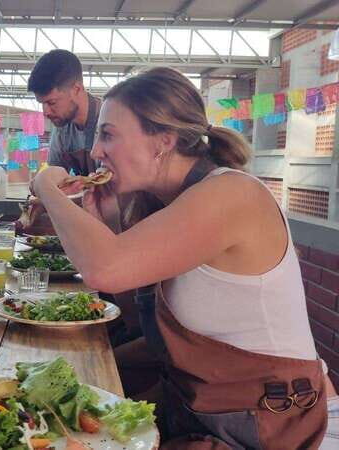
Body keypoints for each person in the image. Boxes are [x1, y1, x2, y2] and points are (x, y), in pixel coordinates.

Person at [31, 67, 336, 448]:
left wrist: (47, 186)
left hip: (277, 424)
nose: (95, 152)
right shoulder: (163, 203)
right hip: (208, 410)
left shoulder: (233, 194)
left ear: (163, 140)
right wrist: (106, 225)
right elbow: (143, 317)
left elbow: (104, 270)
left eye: (107, 135)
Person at [27, 49, 100, 176]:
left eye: (52, 103)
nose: (46, 112)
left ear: (76, 89)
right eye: (42, 104)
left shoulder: (109, 123)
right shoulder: (63, 128)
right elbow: (53, 174)